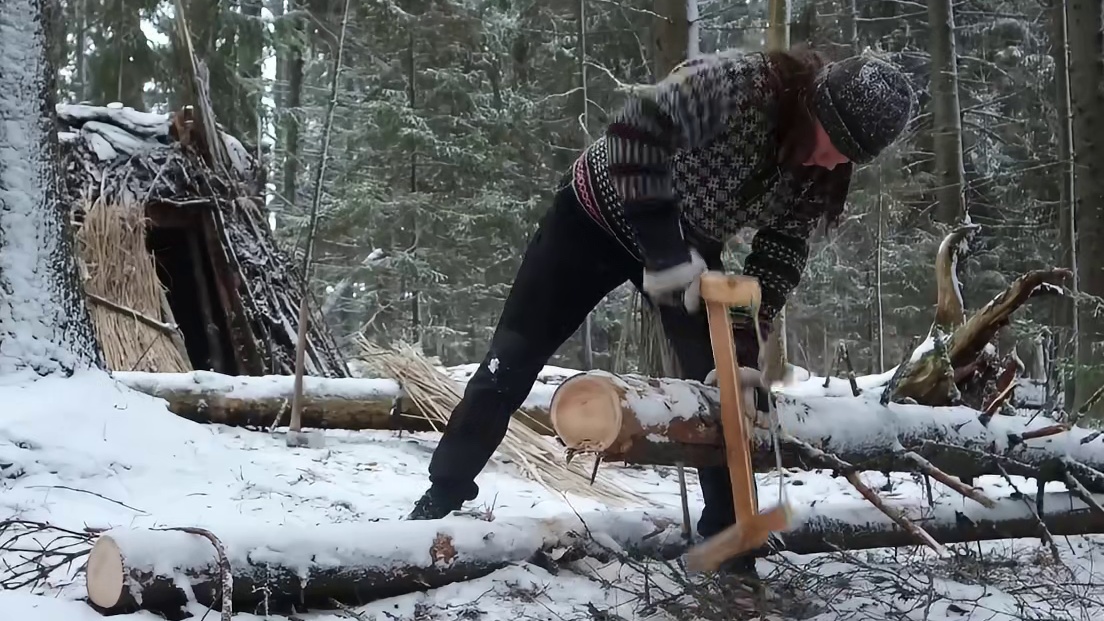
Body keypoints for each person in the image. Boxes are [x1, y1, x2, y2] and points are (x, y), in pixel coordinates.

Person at [406, 46, 914, 571]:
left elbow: (782, 250)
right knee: (510, 361)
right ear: (816, 109)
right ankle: (441, 496)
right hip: (591, 218)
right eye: (835, 146)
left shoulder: (820, 171)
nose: (835, 163)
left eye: (850, 157)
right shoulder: (737, 86)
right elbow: (631, 134)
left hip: (690, 245)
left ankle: (729, 537)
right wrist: (664, 249)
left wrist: (745, 340)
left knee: (716, 391)